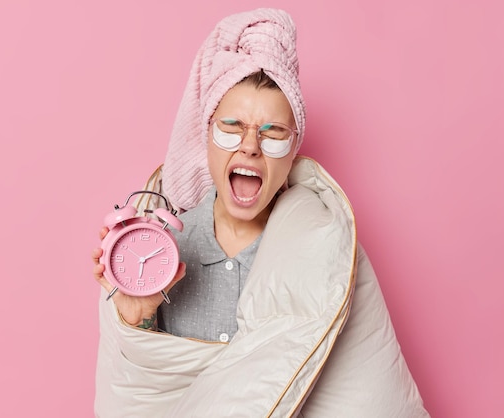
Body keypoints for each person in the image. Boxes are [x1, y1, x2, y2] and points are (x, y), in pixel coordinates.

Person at [91, 8, 429, 417]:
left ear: (294, 149)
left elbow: (368, 390)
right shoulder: (158, 248)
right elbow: (137, 394)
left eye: (272, 133)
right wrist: (135, 324)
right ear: (207, 136)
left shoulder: (326, 252)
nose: (250, 145)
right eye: (231, 126)